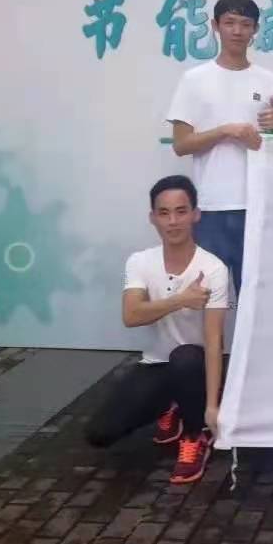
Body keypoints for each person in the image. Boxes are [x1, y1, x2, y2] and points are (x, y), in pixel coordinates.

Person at [85, 175, 228, 485]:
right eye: (164, 213)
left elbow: (214, 339)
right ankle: (172, 406)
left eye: (181, 211)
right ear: (153, 218)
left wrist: (212, 407)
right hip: (157, 365)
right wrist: (181, 300)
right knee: (99, 433)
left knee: (186, 357)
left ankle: (195, 435)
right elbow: (131, 315)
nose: (173, 221)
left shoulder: (214, 268)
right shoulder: (139, 261)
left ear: (195, 214)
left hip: (197, 365)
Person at [167, 0, 273, 294]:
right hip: (210, 207)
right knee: (210, 296)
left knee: (255, 295)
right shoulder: (194, 79)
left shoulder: (269, 80)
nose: (237, 31)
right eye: (229, 23)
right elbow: (181, 144)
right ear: (215, 26)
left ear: (255, 29)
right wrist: (224, 132)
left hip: (257, 205)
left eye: (245, 24)